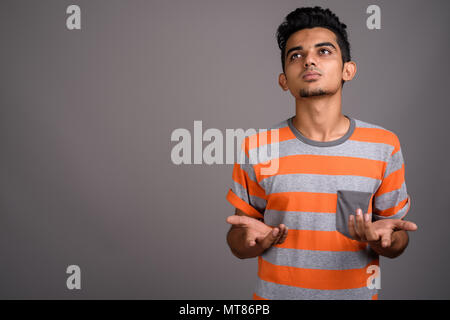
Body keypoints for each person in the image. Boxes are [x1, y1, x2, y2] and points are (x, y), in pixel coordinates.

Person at [225, 6, 418, 300]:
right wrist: (250, 241)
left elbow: (397, 237)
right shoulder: (257, 147)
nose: (309, 60)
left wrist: (386, 241)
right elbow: (239, 238)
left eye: (324, 51)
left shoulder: (384, 145)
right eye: (296, 55)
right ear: (283, 80)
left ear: (347, 70)